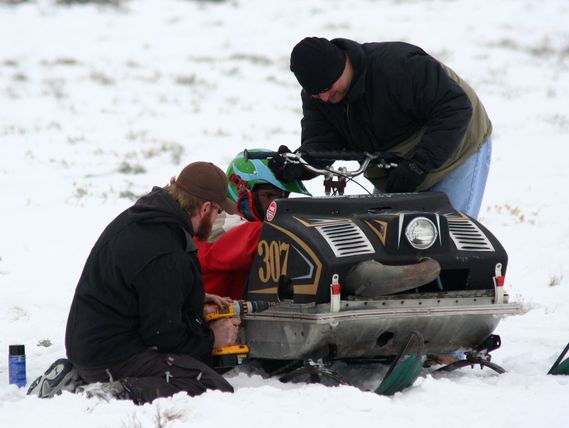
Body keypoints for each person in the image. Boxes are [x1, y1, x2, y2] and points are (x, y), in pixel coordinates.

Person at [57, 162, 241, 404]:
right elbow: (163, 335)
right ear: (205, 208)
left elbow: (143, 286)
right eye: (218, 211)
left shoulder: (148, 218)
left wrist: (192, 295)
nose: (218, 217)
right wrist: (211, 339)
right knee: (209, 383)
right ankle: (109, 392)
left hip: (89, 346)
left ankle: (78, 376)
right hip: (110, 356)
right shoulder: (165, 250)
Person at [277, 37, 492, 219]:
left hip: (456, 145)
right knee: (385, 243)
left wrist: (418, 164)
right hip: (393, 163)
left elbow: (455, 107)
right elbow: (323, 143)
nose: (324, 97)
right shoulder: (319, 99)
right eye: (316, 93)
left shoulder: (398, 67)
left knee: (447, 238)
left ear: (341, 66)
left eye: (327, 88)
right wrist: (301, 164)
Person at [194, 149, 310, 299]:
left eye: (283, 197)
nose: (276, 204)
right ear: (240, 189)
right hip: (205, 318)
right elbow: (255, 236)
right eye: (268, 195)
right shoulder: (219, 225)